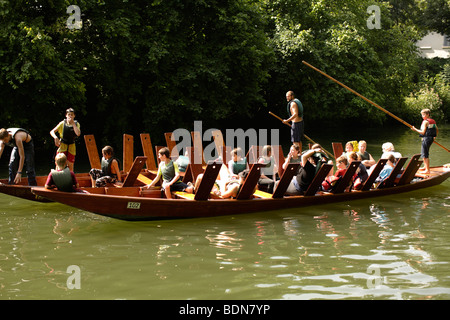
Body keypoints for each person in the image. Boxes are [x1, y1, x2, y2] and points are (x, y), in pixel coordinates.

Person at [411, 108, 438, 174]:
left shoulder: (425, 122)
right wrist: (434, 137)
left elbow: (423, 132)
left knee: (425, 154)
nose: (422, 116)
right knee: (424, 153)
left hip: (426, 139)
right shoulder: (433, 121)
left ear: (428, 114)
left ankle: (427, 170)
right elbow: (436, 129)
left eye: (423, 115)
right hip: (430, 138)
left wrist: (415, 129)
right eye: (422, 115)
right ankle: (425, 167)